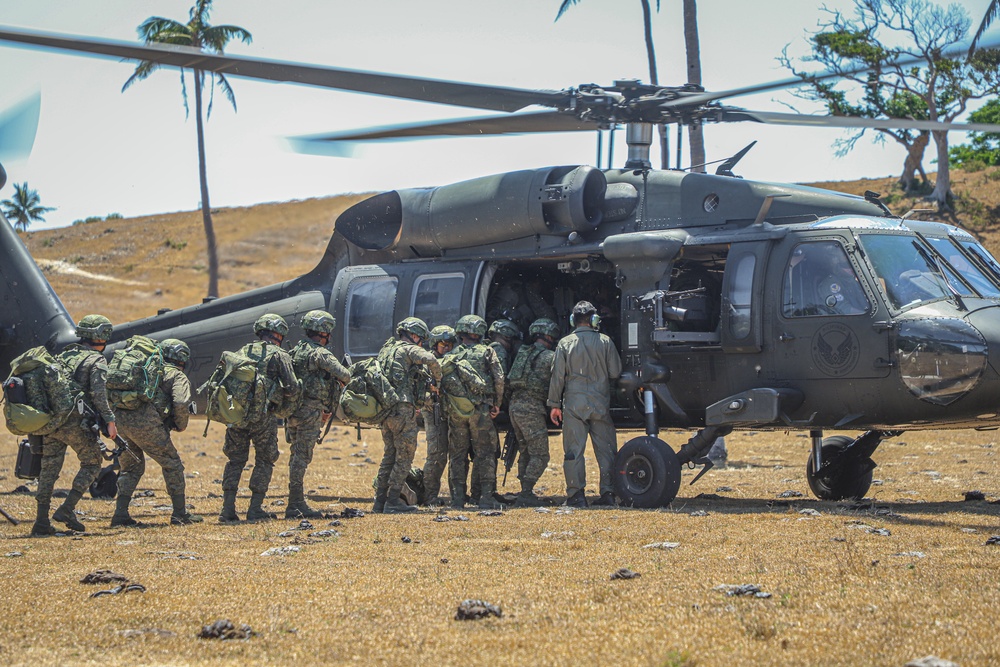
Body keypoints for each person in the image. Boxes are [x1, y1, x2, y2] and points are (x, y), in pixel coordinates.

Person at [32, 314, 118, 536]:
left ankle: (41, 521)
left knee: (48, 468)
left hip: (53, 422)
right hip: (74, 422)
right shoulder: (96, 361)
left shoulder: (62, 355)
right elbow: (99, 396)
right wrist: (110, 421)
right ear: (101, 336)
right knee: (92, 463)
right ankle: (67, 509)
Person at [111, 338, 202, 527]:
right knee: (172, 464)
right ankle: (179, 514)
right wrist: (180, 424)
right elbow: (180, 402)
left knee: (131, 467)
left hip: (120, 420)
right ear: (182, 359)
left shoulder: (146, 370)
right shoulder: (176, 376)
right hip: (146, 423)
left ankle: (120, 515)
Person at [219, 314, 300, 524]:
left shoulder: (242, 351)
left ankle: (227, 509)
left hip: (237, 415)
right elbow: (292, 387)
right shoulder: (279, 355)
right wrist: (284, 409)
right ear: (279, 335)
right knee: (265, 459)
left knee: (235, 460)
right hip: (263, 417)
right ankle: (255, 509)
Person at [547, 301, 622, 508]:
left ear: (573, 320)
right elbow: (615, 372)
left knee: (573, 451)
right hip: (600, 403)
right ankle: (608, 492)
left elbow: (557, 377)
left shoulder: (565, 343)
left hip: (574, 405)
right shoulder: (605, 341)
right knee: (606, 451)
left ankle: (576, 495)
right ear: (594, 320)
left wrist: (554, 404)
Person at [372, 317, 442, 514]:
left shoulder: (386, 350)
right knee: (404, 456)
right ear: (413, 336)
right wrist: (437, 380)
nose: (421, 343)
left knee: (389, 455)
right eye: (420, 339)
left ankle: (379, 502)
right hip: (403, 409)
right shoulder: (408, 349)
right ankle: (393, 500)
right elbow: (431, 360)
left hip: (386, 410)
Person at [285, 310, 350, 519]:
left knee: (295, 453)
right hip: (310, 411)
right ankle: (295, 503)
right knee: (302, 456)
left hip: (293, 410)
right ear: (324, 332)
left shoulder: (295, 352)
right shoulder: (320, 353)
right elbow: (345, 375)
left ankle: (295, 500)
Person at [446, 314, 505, 510]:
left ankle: (458, 498)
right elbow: (499, 378)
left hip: (457, 412)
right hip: (481, 411)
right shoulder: (487, 352)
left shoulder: (451, 355)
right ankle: (486, 497)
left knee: (457, 454)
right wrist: (497, 403)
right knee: (485, 453)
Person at [507, 318, 558, 507]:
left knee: (526, 451)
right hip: (531, 409)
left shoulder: (523, 353)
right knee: (541, 455)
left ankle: (524, 491)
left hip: (515, 407)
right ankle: (526, 492)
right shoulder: (550, 357)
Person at [421, 325, 456, 506]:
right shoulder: (427, 362)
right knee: (436, 454)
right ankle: (429, 496)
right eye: (444, 344)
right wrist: (432, 395)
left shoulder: (453, 361)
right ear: (435, 344)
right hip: (433, 412)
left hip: (452, 413)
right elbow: (419, 392)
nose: (448, 348)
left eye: (451, 344)